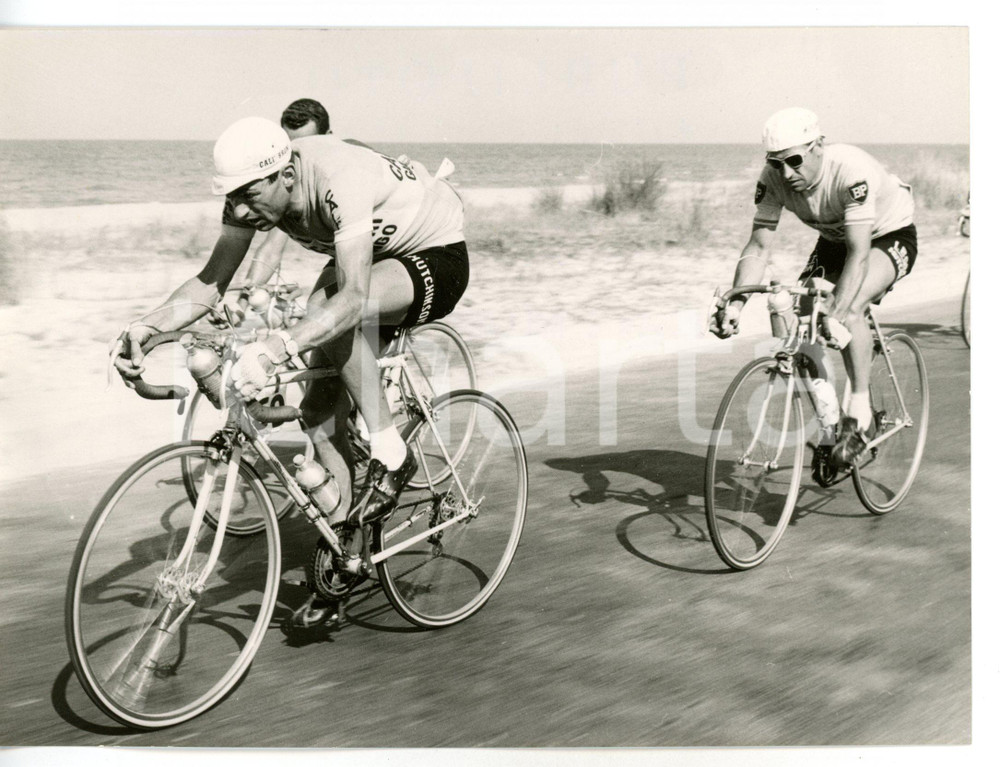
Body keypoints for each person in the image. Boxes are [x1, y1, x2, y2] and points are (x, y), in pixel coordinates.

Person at [115, 116, 469, 527]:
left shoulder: (339, 178)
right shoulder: (249, 195)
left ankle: (391, 451)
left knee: (326, 308)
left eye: (249, 195)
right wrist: (148, 326)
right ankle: (344, 541)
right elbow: (210, 283)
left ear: (286, 175)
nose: (242, 210)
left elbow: (353, 297)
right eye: (234, 198)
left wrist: (274, 349)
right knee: (318, 412)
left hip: (436, 252)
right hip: (375, 260)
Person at [710, 107, 918, 469]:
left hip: (886, 235)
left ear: (819, 146)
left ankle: (858, 417)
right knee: (803, 315)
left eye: (794, 160)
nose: (786, 174)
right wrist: (735, 305)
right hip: (835, 239)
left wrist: (837, 308)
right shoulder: (773, 178)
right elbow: (758, 248)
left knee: (847, 307)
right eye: (776, 163)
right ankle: (831, 421)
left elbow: (860, 253)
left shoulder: (851, 171)